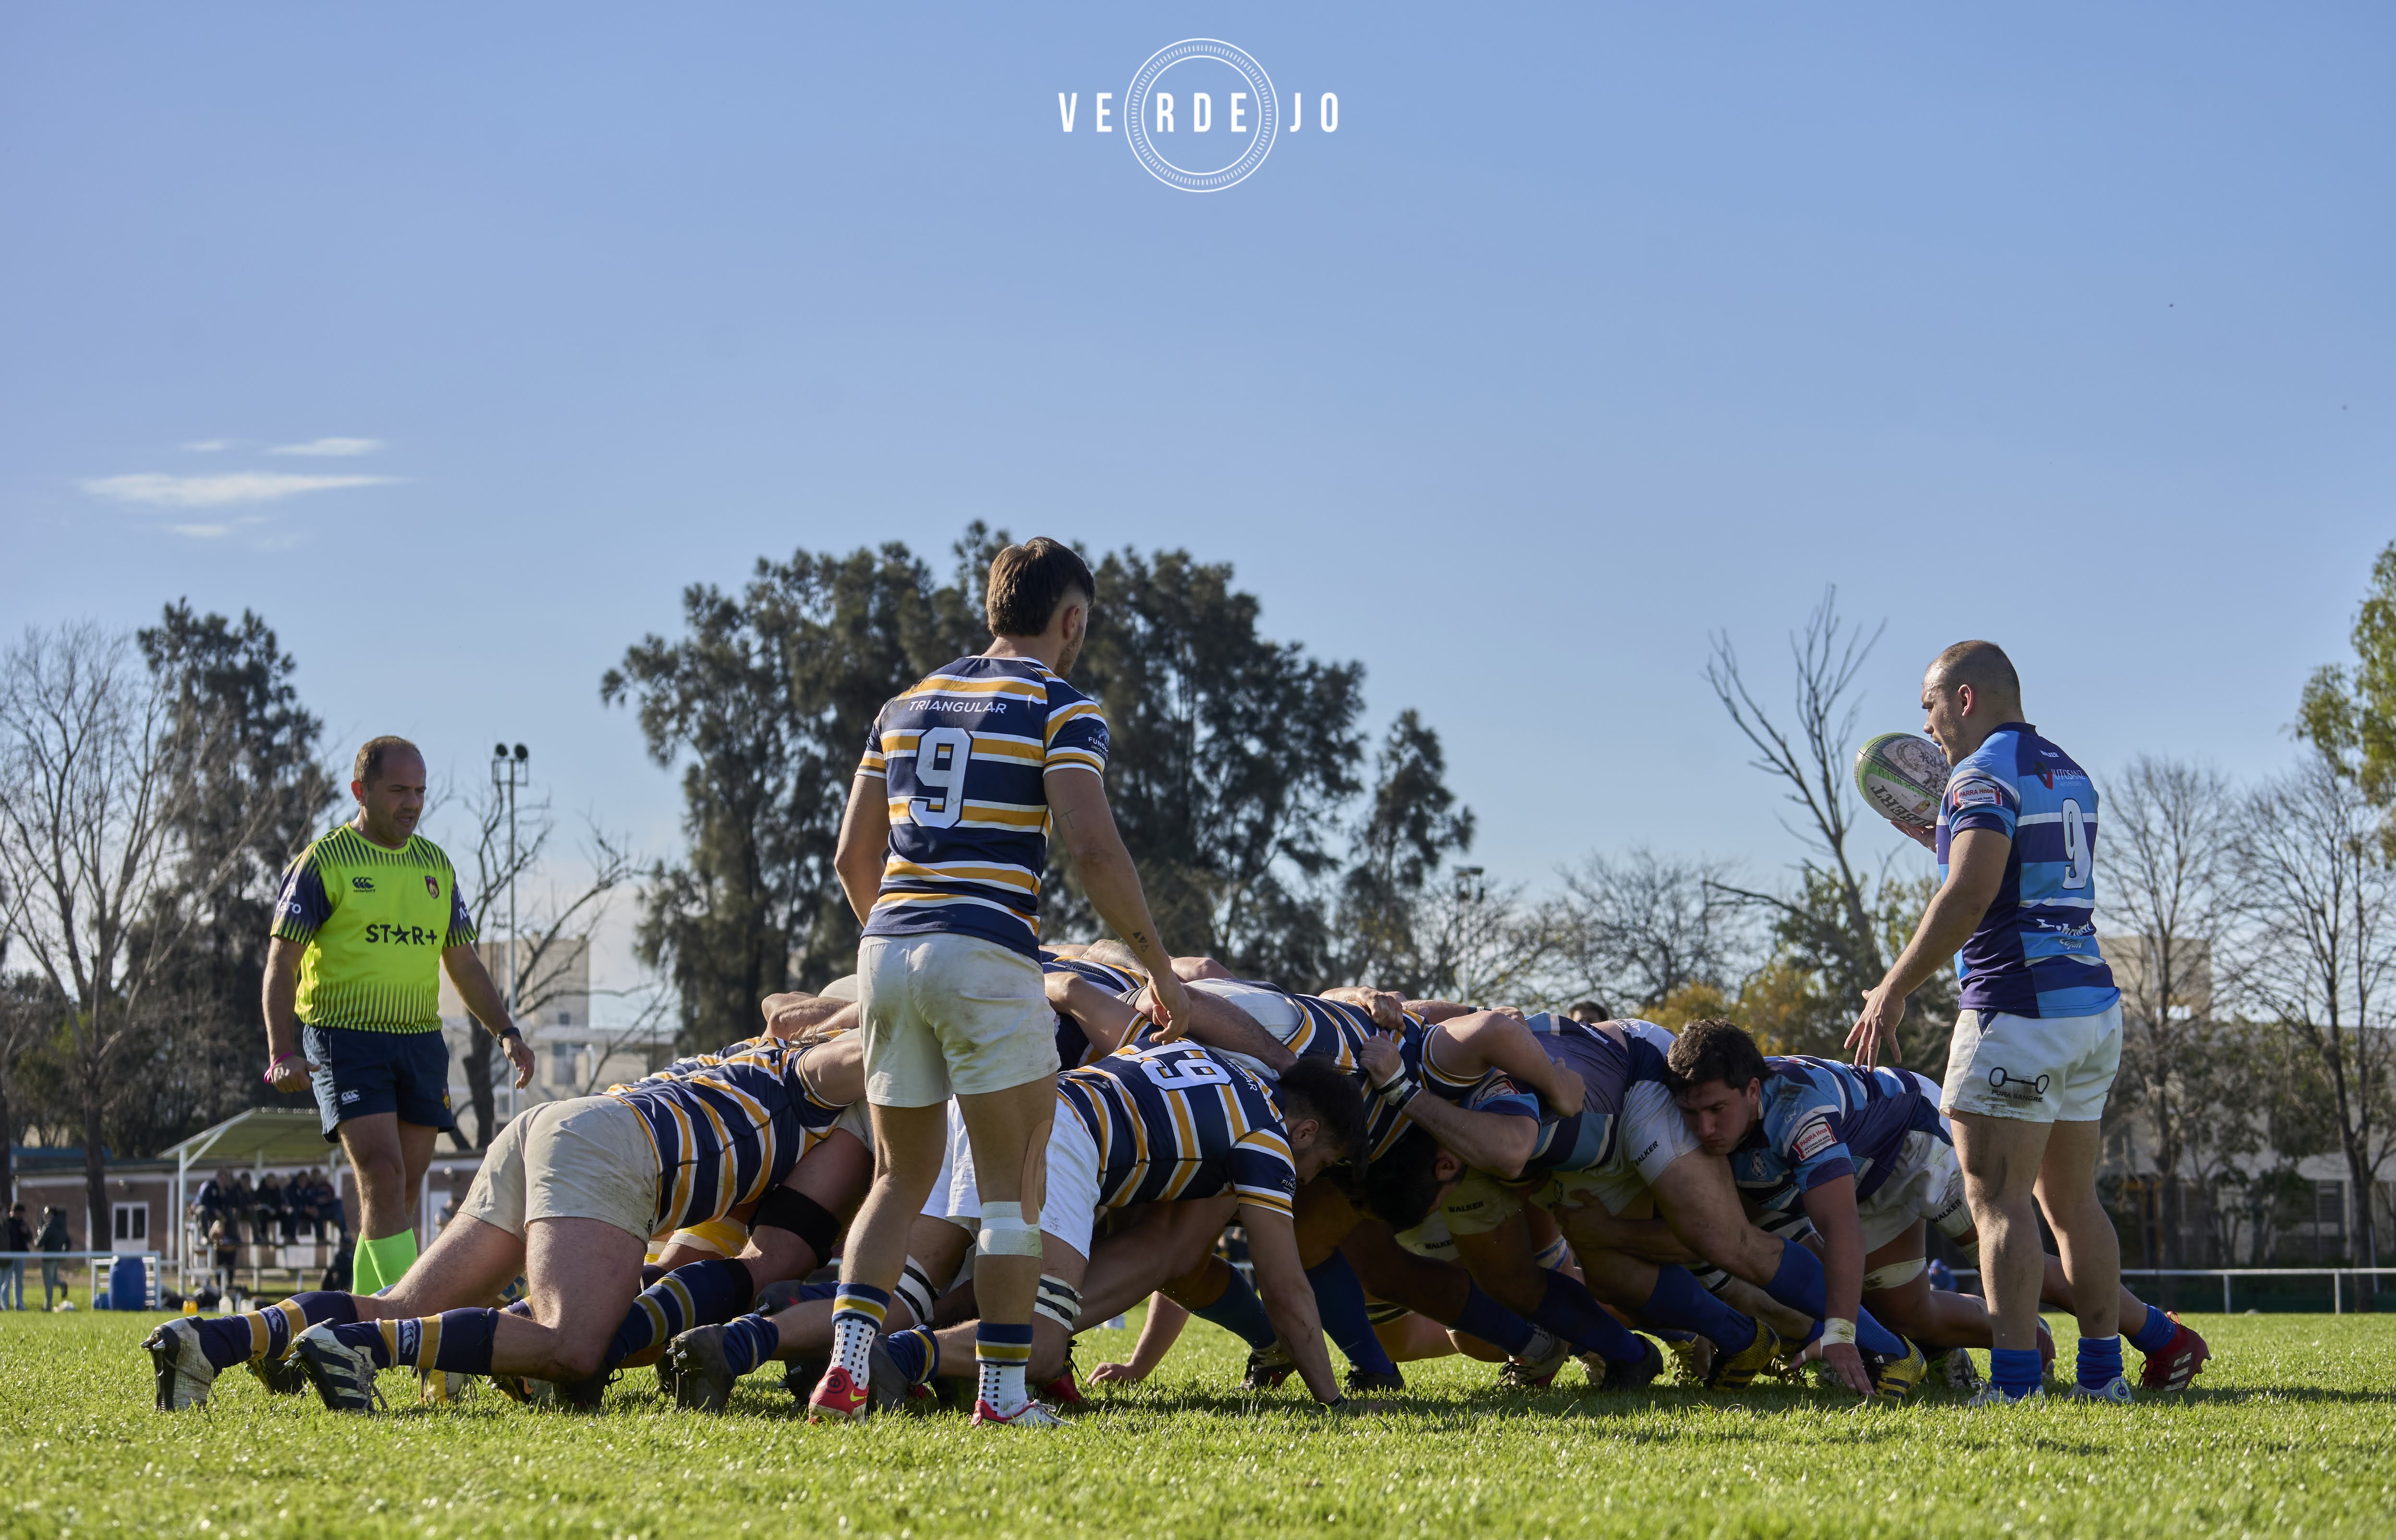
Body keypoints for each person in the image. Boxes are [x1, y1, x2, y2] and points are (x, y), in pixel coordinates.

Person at [812, 536, 1193, 1430]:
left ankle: (844, 1371)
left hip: (887, 948)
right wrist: (1159, 968)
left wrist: (906, 936)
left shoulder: (902, 704)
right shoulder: (1062, 703)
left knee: (898, 1177)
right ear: (1069, 620)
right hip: (984, 953)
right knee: (1011, 1187)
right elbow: (1093, 849)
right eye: (1082, 627)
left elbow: (849, 855)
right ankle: (1002, 1396)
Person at [142, 1033, 863, 1413]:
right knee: (571, 1344)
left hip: (551, 1126)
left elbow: (785, 1007)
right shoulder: (816, 1075)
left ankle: (215, 1337)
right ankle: (359, 1346)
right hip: (611, 1144)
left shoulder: (759, 1052)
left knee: (405, 1299)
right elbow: (867, 1042)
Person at [1848, 639, 2150, 1404]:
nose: (1926, 723)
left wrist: (1892, 985)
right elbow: (2020, 876)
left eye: (1929, 703)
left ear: (1967, 698)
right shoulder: (2067, 767)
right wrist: (1944, 840)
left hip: (2018, 1007)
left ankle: (2015, 1385)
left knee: (1996, 1199)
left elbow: (1972, 894)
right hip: (2090, 1006)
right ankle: (2103, 1375)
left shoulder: (1979, 773)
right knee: (2073, 1203)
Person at [1666, 1018, 2207, 1393]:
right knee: (1908, 1315)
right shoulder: (1704, 1124)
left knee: (2010, 1261)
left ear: (1755, 1090)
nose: (1706, 1128)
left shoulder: (1797, 1114)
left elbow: (1840, 1227)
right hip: (1864, 1176)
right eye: (1694, 1114)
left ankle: (2166, 1338)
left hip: (1918, 1140)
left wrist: (1840, 1333)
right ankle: (2026, 1340)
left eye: (1718, 1110)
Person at [260, 736, 535, 1297]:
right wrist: (281, 1052)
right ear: (361, 791)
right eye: (398, 791)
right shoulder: (323, 862)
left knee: (400, 1195)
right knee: (382, 1178)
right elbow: (281, 962)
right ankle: (429, 1330)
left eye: (420, 792)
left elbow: (462, 961)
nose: (412, 803)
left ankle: (355, 1330)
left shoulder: (435, 864)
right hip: (343, 1039)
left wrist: (506, 1032)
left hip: (418, 1042)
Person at [37, 1206, 70, 1310]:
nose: (44, 1215)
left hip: (48, 1258)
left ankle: (48, 1306)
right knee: (54, 1279)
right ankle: (61, 1284)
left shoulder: (48, 1227)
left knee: (48, 1282)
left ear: (51, 1214)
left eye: (46, 1213)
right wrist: (64, 1254)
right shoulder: (62, 1226)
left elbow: (38, 1243)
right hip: (58, 1258)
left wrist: (39, 1234)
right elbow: (68, 1242)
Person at [3, 1202, 30, 1309]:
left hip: (20, 1255)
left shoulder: (23, 1223)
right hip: (9, 1255)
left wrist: (26, 1232)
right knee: (6, 1280)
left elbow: (29, 1238)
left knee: (18, 1281)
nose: (20, 1216)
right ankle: (5, 1304)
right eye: (18, 1213)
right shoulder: (7, 1223)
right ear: (12, 1212)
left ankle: (19, 1304)